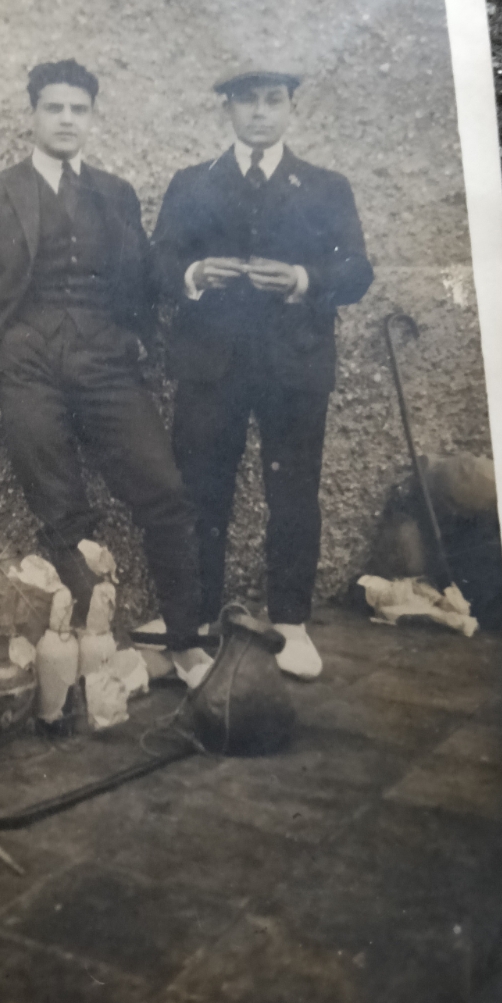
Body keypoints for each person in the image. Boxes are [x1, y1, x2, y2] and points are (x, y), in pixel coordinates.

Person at [0, 59, 203, 661]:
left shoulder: (115, 193)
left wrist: (144, 329)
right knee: (62, 509)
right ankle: (91, 647)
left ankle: (187, 640)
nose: (65, 119)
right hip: (27, 364)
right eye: (54, 108)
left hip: (104, 361)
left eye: (77, 109)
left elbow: (140, 276)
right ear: (33, 115)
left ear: (91, 117)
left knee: (164, 491)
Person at [151, 69, 374, 679]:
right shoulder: (193, 183)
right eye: (247, 101)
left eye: (273, 101)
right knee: (201, 490)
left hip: (293, 365)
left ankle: (291, 622)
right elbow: (159, 261)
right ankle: (197, 621)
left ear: (292, 108)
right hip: (211, 364)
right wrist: (195, 273)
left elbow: (357, 270)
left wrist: (306, 281)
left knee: (294, 493)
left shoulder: (327, 187)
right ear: (227, 109)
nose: (260, 113)